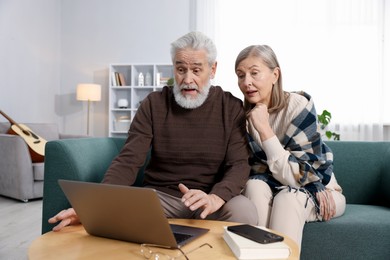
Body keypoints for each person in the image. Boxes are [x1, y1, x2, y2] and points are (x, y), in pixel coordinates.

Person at [49, 31, 258, 231]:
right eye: (181, 69)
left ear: (212, 70)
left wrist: (215, 197)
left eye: (196, 70)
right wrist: (93, 208)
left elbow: (239, 164)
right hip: (161, 200)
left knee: (244, 210)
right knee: (119, 209)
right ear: (173, 68)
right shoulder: (154, 104)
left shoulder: (230, 107)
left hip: (210, 201)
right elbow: (128, 160)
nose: (187, 79)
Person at [234, 45, 346, 251]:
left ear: (275, 74)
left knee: (288, 198)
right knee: (253, 187)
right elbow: (248, 170)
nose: (246, 82)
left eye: (254, 73)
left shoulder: (298, 106)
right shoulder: (242, 117)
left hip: (318, 187)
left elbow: (304, 173)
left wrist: (265, 129)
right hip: (269, 186)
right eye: (240, 75)